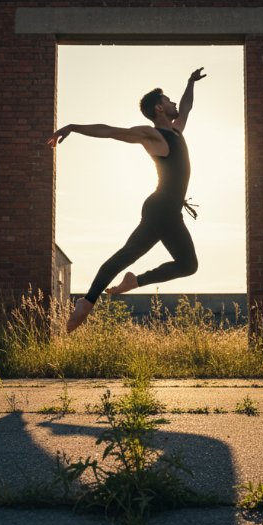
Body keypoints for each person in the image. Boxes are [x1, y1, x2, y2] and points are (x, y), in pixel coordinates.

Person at [47, 67, 208, 333]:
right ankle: (86, 302)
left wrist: (190, 83)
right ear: (159, 108)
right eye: (168, 100)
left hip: (170, 212)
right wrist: (73, 127)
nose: (174, 103)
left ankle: (133, 281)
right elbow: (110, 131)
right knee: (127, 255)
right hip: (159, 210)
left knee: (188, 265)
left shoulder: (177, 131)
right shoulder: (152, 134)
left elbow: (187, 107)